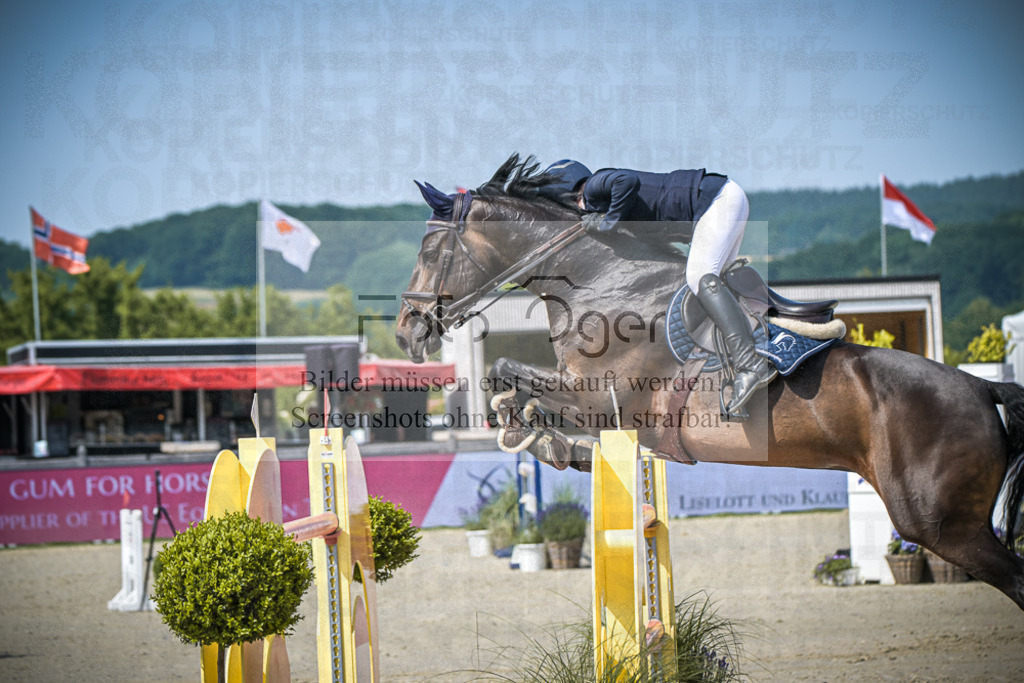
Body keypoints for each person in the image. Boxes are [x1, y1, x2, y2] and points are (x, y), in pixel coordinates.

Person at [541, 159, 777, 414]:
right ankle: (743, 358)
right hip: (722, 199)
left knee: (700, 278)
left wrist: (608, 223)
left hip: (716, 201)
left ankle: (749, 363)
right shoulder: (605, 202)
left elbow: (626, 181)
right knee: (715, 289)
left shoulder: (594, 186)